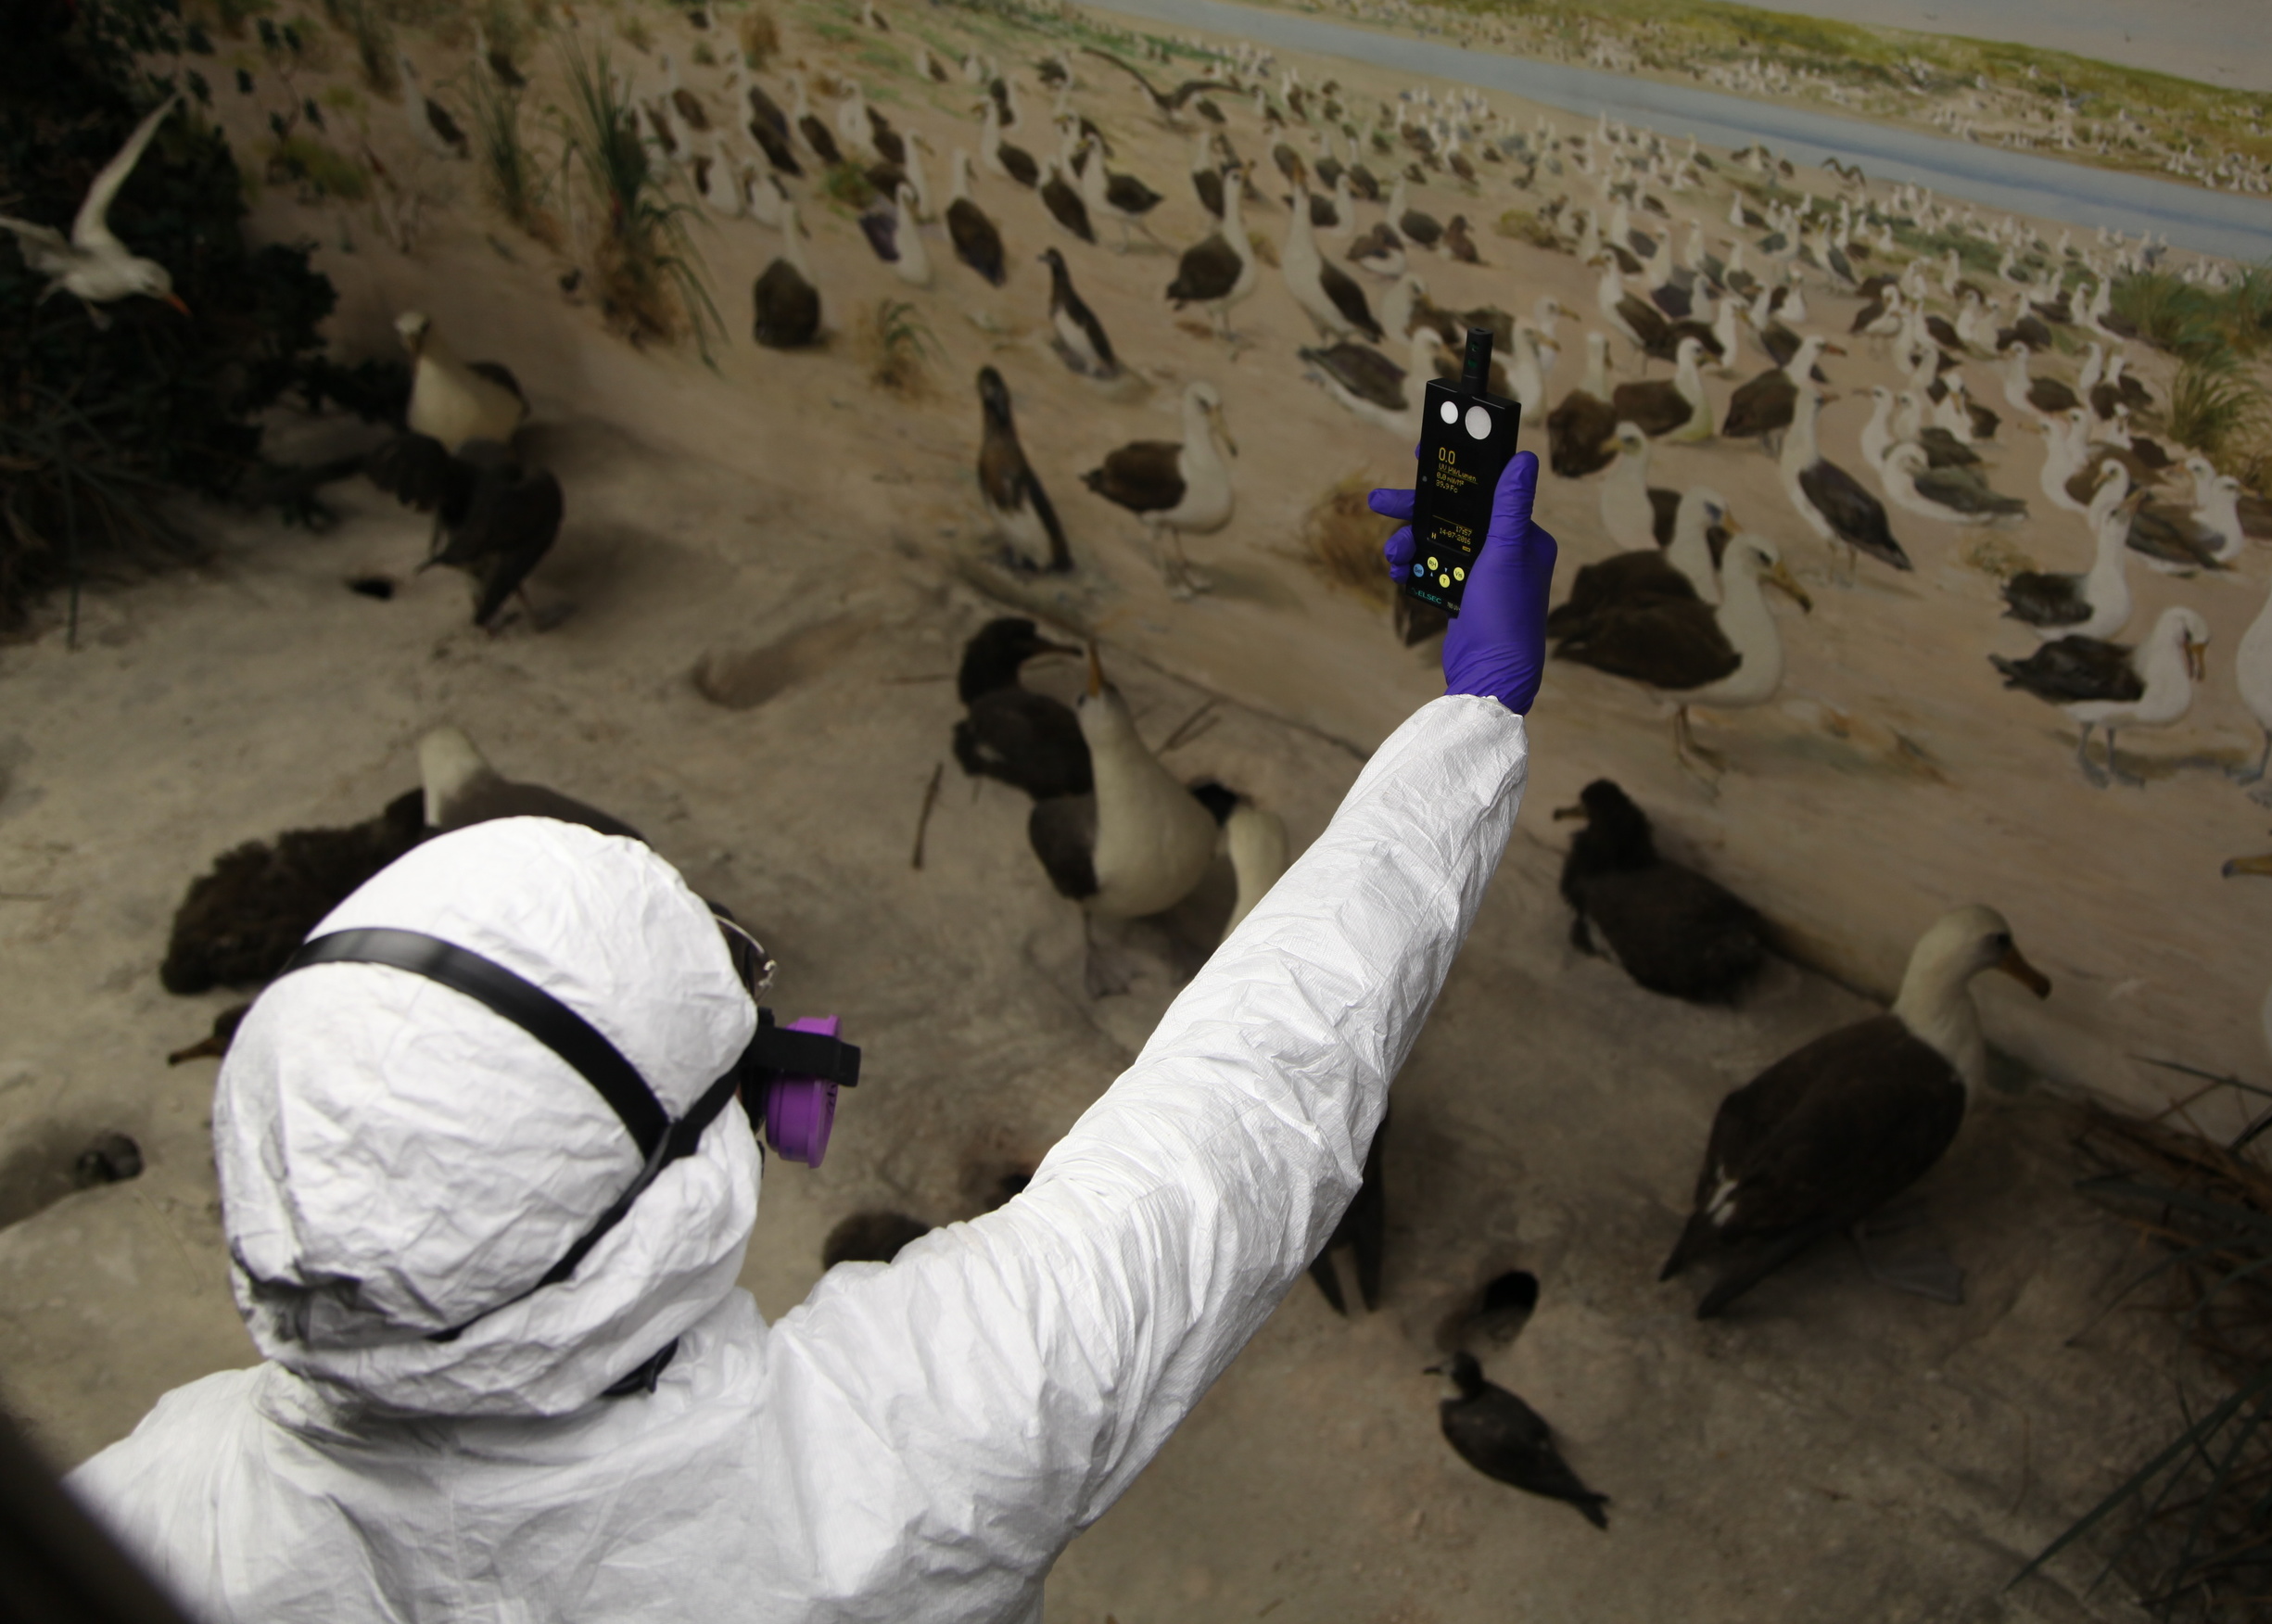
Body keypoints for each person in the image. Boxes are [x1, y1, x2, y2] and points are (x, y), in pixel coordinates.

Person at [70, 455, 1558, 1622]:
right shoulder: (895, 1467)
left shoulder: (152, 1520)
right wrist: (1472, 717)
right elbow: (1245, 1103)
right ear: (670, 1189)